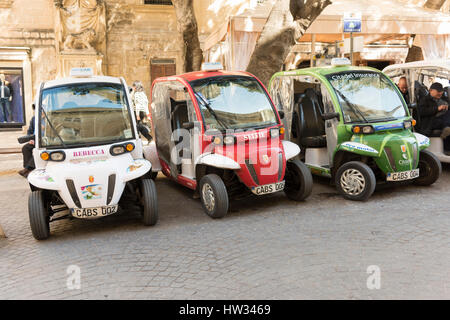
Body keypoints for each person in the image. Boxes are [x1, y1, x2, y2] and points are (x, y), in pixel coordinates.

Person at [18, 104, 36, 178]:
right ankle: (27, 168)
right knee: (25, 148)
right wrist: (31, 139)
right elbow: (30, 131)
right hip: (34, 139)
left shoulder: (48, 118)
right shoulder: (34, 119)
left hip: (45, 141)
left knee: (38, 151)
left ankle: (28, 169)